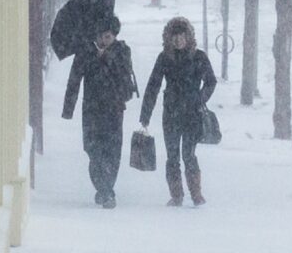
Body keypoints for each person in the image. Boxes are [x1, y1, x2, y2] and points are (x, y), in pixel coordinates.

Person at [62, 15, 138, 209]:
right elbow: (74, 80)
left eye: (109, 36)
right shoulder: (86, 51)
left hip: (114, 109)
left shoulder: (122, 52)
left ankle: (107, 191)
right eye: (102, 36)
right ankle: (103, 187)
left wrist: (108, 58)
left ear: (114, 36)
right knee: (93, 150)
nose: (105, 40)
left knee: (112, 151)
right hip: (91, 110)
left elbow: (125, 77)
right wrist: (68, 109)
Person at [140, 16, 217, 206]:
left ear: (189, 37)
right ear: (168, 38)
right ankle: (176, 195)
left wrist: (200, 98)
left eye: (182, 36)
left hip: (192, 113)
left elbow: (211, 81)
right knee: (172, 155)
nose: (178, 40)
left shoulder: (199, 57)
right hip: (171, 113)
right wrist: (145, 115)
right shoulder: (164, 58)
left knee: (189, 154)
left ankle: (196, 193)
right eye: (174, 36)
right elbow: (153, 86)